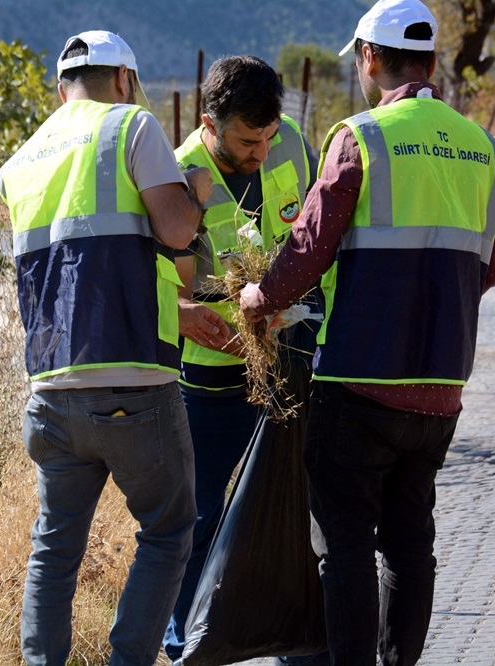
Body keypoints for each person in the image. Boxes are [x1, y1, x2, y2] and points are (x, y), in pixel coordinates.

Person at [239, 1, 495, 663]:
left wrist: (259, 297)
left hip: (358, 383)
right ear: (429, 60)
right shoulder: (487, 152)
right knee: (409, 544)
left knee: (344, 545)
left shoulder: (360, 137)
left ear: (369, 56)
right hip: (442, 386)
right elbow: (490, 267)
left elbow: (307, 250)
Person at [0, 30, 225, 666]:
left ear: (60, 86)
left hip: (49, 390)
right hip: (133, 382)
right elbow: (176, 230)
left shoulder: (20, 161)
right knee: (170, 529)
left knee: (54, 546)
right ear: (124, 79)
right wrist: (197, 199)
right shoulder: (131, 126)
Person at [162, 55, 321, 663]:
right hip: (210, 377)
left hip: (290, 365)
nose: (260, 152)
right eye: (246, 141)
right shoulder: (177, 176)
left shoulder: (293, 148)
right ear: (210, 123)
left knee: (293, 502)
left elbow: (312, 239)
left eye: (268, 137)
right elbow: (177, 298)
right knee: (200, 514)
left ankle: (294, 640)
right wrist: (241, 343)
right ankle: (186, 642)